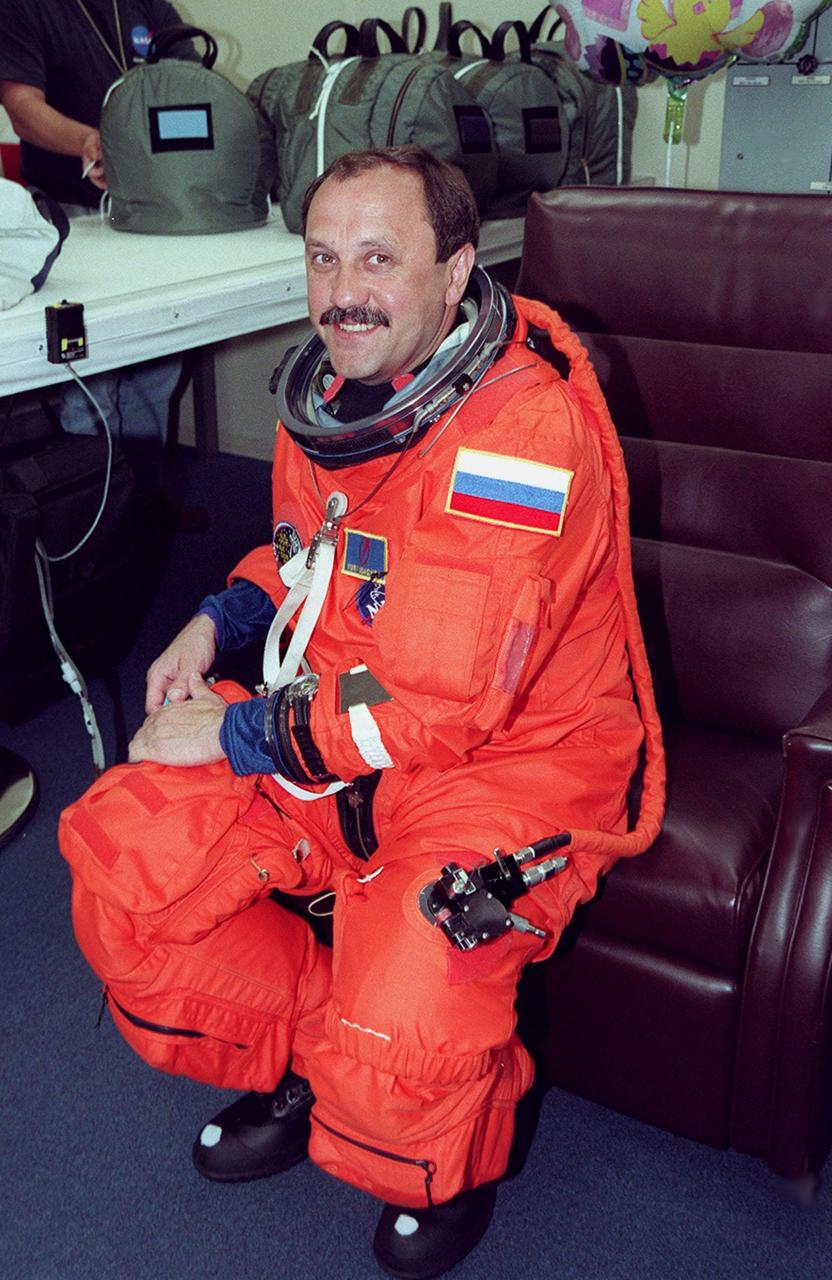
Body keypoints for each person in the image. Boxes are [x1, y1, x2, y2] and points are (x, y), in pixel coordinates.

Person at [59, 146, 665, 1279]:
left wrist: (239, 731)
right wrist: (220, 618)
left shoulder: (520, 439)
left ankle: (445, 1156)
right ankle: (306, 1056)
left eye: (379, 260)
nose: (345, 292)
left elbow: (442, 697)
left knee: (406, 1005)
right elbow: (314, 553)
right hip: (344, 718)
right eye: (324, 258)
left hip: (510, 757)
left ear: (453, 271)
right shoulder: (331, 399)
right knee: (128, 862)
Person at [0, 0, 193, 499]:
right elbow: (23, 110)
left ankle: (143, 503)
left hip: (154, 212)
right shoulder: (23, 9)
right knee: (92, 381)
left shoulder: (149, 5)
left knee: (157, 366)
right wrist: (91, 140)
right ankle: (91, 516)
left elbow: (192, 83)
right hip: (75, 221)